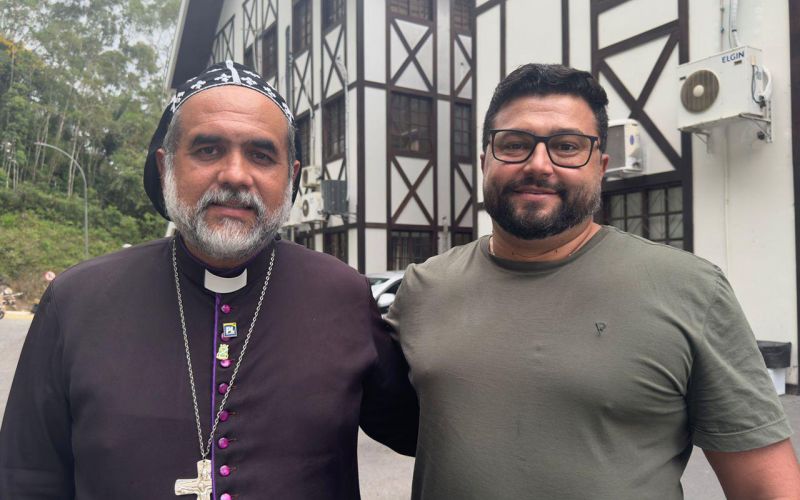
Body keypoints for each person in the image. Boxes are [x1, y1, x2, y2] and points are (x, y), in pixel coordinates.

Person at [0, 61, 418, 499]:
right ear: (166, 167)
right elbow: (26, 478)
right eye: (208, 150)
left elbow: (422, 431)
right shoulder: (76, 302)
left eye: (261, 155)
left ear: (291, 177)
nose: (235, 175)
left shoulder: (342, 295)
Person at [386, 63, 800, 499]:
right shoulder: (422, 290)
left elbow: (766, 487)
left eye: (567, 146)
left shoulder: (691, 290)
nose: (538, 165)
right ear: (486, 160)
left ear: (601, 166)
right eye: (515, 144)